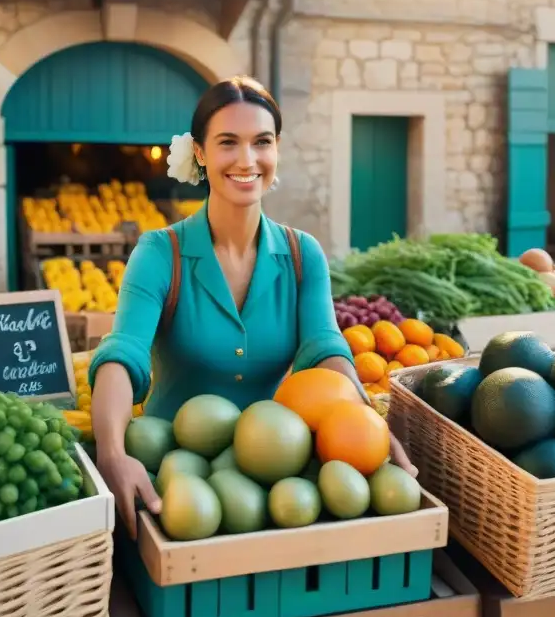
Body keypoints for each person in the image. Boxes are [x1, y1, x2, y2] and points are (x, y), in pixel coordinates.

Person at [89, 76, 417, 536]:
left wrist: (369, 431)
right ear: (200, 153)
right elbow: (122, 355)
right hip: (174, 475)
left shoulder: (303, 254)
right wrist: (112, 455)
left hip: (276, 471)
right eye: (228, 143)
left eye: (261, 142)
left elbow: (327, 350)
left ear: (276, 149)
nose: (247, 160)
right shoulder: (161, 253)